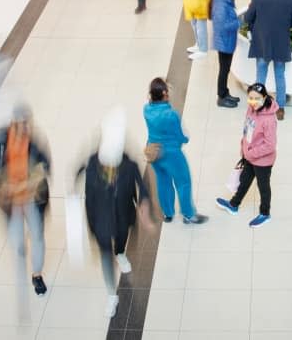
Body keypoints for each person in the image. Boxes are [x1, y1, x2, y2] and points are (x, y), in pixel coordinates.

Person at [76, 109, 154, 318]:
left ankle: (120, 252)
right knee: (104, 256)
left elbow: (142, 187)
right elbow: (79, 179)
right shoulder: (92, 163)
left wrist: (144, 205)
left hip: (122, 216)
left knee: (120, 242)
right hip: (100, 219)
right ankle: (112, 293)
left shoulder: (129, 165)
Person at [0, 108, 51, 297]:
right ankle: (21, 247)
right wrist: (2, 183)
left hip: (32, 198)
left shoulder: (34, 142)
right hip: (10, 200)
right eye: (20, 123)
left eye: (26, 123)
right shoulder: (1, 143)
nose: (24, 127)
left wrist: (35, 179)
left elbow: (45, 164)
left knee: (37, 234)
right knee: (17, 240)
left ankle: (37, 274)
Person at [143, 78, 209, 225]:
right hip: (172, 154)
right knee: (183, 182)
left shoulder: (146, 109)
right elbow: (183, 136)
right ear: (165, 94)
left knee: (163, 181)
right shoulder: (172, 115)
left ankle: (168, 213)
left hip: (153, 151)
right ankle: (188, 214)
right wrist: (184, 140)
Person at [216, 82, 279, 226]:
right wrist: (243, 146)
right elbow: (247, 128)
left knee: (263, 187)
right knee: (244, 179)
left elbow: (270, 145)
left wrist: (251, 153)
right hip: (249, 155)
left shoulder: (269, 120)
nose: (253, 101)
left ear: (264, 98)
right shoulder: (251, 109)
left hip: (263, 160)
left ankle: (265, 213)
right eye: (250, 98)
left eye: (257, 98)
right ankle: (234, 204)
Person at [242, 0, 292, 120]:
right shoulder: (289, 0)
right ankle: (280, 109)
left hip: (261, 44)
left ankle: (256, 107)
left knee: (260, 76)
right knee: (280, 75)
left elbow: (247, 18)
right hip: (281, 44)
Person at [212, 0, 242, 107]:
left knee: (226, 69)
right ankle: (221, 97)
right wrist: (239, 22)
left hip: (227, 41)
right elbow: (223, 26)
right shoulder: (220, 6)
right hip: (224, 43)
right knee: (224, 70)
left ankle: (225, 93)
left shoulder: (225, 1)